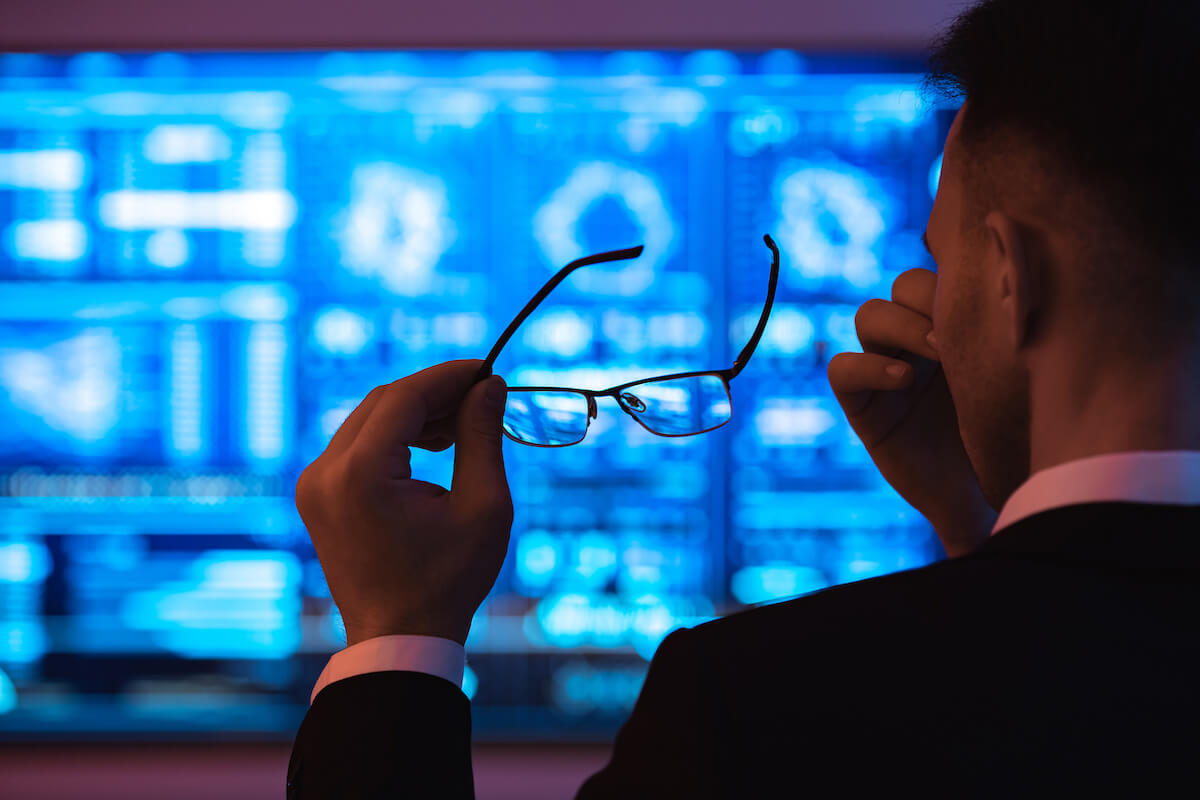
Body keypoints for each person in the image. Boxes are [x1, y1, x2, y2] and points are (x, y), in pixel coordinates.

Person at [286, 0, 1200, 796]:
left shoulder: (761, 703)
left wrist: (395, 642)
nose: (926, 302)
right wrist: (981, 536)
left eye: (941, 257)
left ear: (1009, 274)